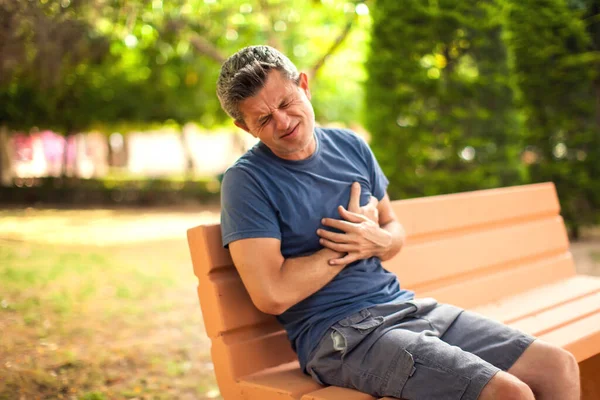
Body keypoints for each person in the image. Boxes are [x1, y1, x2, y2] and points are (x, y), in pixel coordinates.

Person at [216, 45, 580, 400]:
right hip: (340, 337)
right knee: (507, 393)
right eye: (263, 118)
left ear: (304, 86)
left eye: (285, 103)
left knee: (557, 366)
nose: (283, 122)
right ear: (245, 127)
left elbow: (393, 230)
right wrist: (346, 246)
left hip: (405, 307)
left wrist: (376, 240)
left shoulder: (350, 146)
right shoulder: (247, 182)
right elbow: (272, 295)